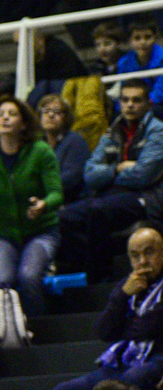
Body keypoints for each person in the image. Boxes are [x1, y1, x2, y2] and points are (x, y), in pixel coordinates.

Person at [0, 95, 63, 317]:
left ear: (23, 123)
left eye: (12, 114)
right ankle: (9, 334)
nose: (5, 118)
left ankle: (39, 331)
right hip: (1, 234)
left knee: (28, 277)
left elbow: (57, 194)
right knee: (3, 283)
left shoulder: (41, 151)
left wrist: (44, 204)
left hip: (41, 231)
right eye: (0, 115)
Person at [59, 80, 163, 283]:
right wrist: (117, 168)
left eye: (136, 100)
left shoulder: (158, 131)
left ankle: (99, 279)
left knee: (99, 210)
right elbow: (89, 174)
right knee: (65, 217)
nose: (129, 105)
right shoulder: (113, 130)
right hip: (111, 193)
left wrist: (107, 175)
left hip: (145, 196)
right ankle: (92, 267)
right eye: (125, 100)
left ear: (148, 104)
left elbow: (143, 175)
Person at [52, 224, 163, 390]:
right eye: (135, 256)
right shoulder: (126, 286)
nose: (142, 261)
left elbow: (150, 326)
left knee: (131, 380)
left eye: (149, 253)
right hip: (123, 361)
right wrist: (123, 295)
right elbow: (103, 331)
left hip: (157, 356)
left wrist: (125, 328)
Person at [38, 94, 90, 203]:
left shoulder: (75, 141)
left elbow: (70, 180)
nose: (51, 115)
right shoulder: (37, 143)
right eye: (46, 111)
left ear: (66, 117)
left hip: (72, 201)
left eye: (57, 111)